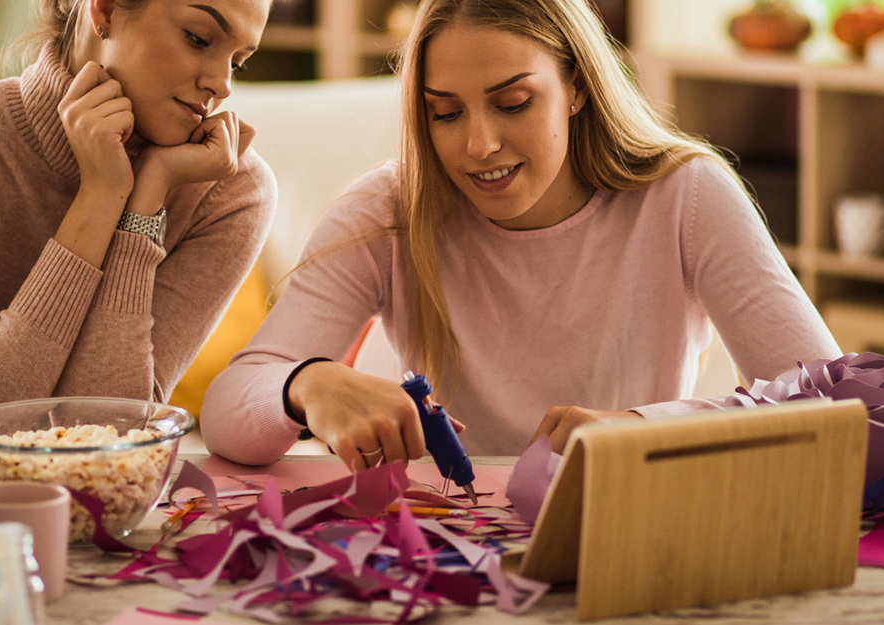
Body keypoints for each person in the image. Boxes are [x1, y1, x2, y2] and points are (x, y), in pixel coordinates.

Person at [201, 0, 840, 470]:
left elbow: (835, 407)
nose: (479, 146)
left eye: (513, 104)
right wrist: (304, 383)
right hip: (448, 544)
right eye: (445, 113)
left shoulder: (685, 195)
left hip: (624, 526)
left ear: (577, 89)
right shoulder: (387, 211)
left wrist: (648, 427)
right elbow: (227, 414)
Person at [0, 0, 275, 450]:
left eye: (238, 61)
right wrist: (100, 192)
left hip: (104, 513)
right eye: (198, 38)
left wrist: (145, 200)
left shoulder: (229, 190)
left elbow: (112, 440)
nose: (222, 84)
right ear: (107, 10)